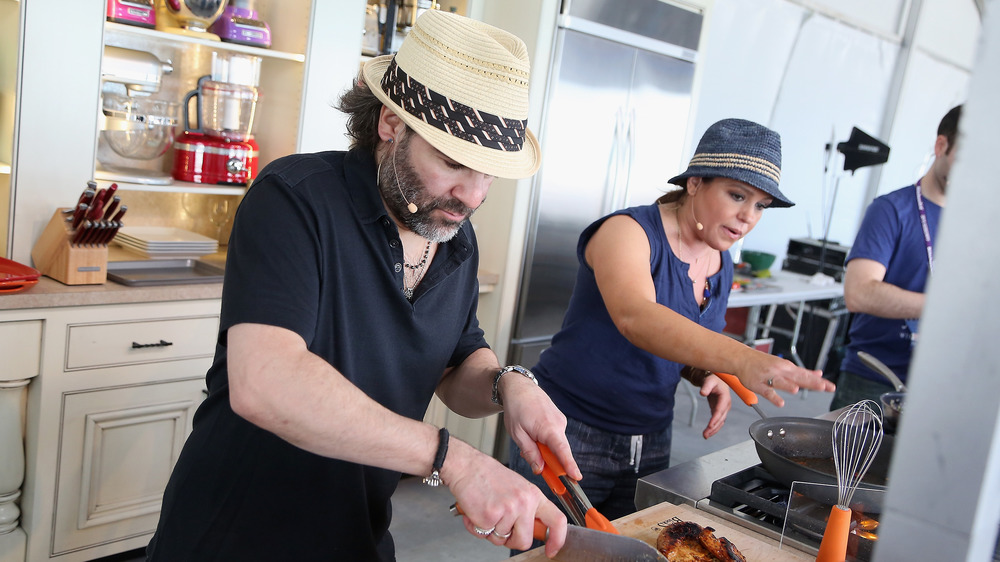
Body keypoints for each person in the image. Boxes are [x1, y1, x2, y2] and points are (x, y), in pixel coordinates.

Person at [146, 11, 581, 561]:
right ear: (391, 124)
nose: (472, 196)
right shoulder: (294, 199)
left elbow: (455, 361)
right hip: (233, 536)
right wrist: (455, 459)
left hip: (358, 537)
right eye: (453, 163)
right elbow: (266, 382)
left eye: (489, 172)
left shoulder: (452, 236)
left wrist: (509, 386)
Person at [509, 118, 837, 525]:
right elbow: (637, 317)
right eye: (737, 195)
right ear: (695, 182)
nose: (748, 216)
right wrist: (741, 359)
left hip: (651, 439)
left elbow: (686, 342)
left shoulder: (722, 262)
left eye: (760, 206)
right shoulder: (627, 232)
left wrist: (707, 373)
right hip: (569, 428)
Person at [830, 104, 962, 410]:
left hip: (941, 383)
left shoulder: (978, 227)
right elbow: (859, 293)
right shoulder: (890, 210)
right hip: (874, 378)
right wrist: (946, 309)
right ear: (941, 145)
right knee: (850, 458)